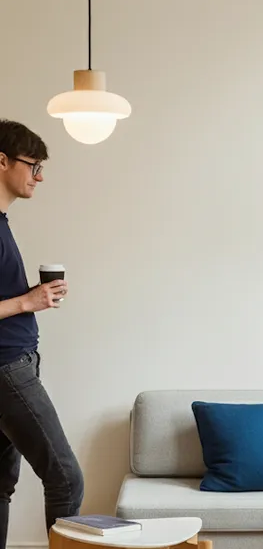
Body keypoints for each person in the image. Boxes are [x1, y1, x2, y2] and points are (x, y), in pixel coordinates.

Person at [0, 120, 83, 548]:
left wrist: (31, 297)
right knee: (66, 478)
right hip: (6, 367)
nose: (40, 176)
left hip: (14, 362)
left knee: (0, 484)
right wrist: (25, 302)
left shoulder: (2, 221)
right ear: (2, 161)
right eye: (33, 166)